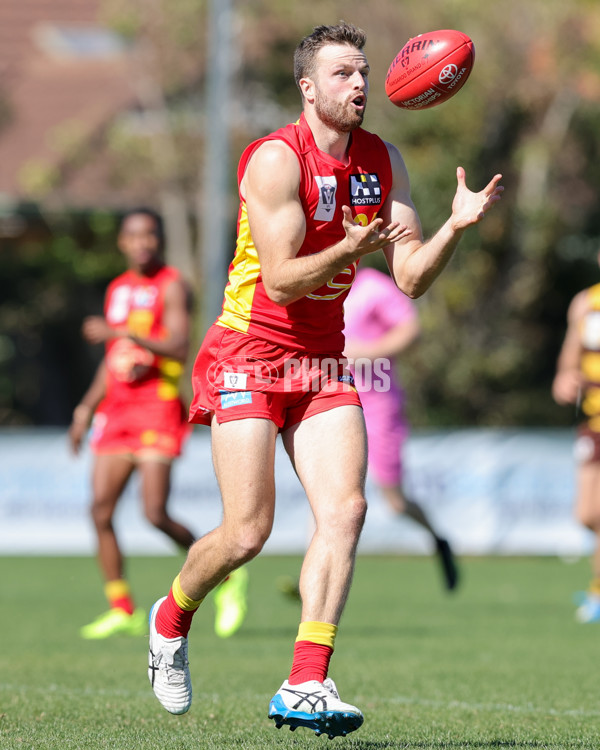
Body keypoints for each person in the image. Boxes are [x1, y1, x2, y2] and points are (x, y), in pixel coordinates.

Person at [146, 22, 502, 737]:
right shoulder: (276, 160)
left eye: (365, 72)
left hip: (322, 363)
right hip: (247, 351)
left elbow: (409, 277)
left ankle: (305, 681)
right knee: (248, 532)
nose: (361, 85)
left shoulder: (381, 159)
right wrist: (347, 243)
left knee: (347, 510)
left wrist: (453, 230)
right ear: (308, 88)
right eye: (342, 74)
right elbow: (278, 283)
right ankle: (171, 615)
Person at [69, 208, 248, 640]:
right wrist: (85, 408)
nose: (142, 242)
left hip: (157, 408)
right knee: (100, 510)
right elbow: (113, 361)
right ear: (123, 243)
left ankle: (225, 574)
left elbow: (178, 344)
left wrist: (124, 335)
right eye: (133, 236)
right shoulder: (118, 289)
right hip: (118, 411)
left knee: (154, 513)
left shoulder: (171, 285)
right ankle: (121, 608)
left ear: (160, 240)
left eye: (150, 235)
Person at [343, 265, 459, 589]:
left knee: (396, 500)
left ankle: (438, 539)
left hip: (378, 404)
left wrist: (364, 352)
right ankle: (312, 580)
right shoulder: (322, 286)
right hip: (336, 401)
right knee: (331, 493)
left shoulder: (373, 288)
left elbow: (410, 330)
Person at [552, 262, 600, 623]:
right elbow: (569, 363)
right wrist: (566, 378)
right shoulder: (586, 303)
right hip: (593, 421)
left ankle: (597, 591)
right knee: (587, 515)